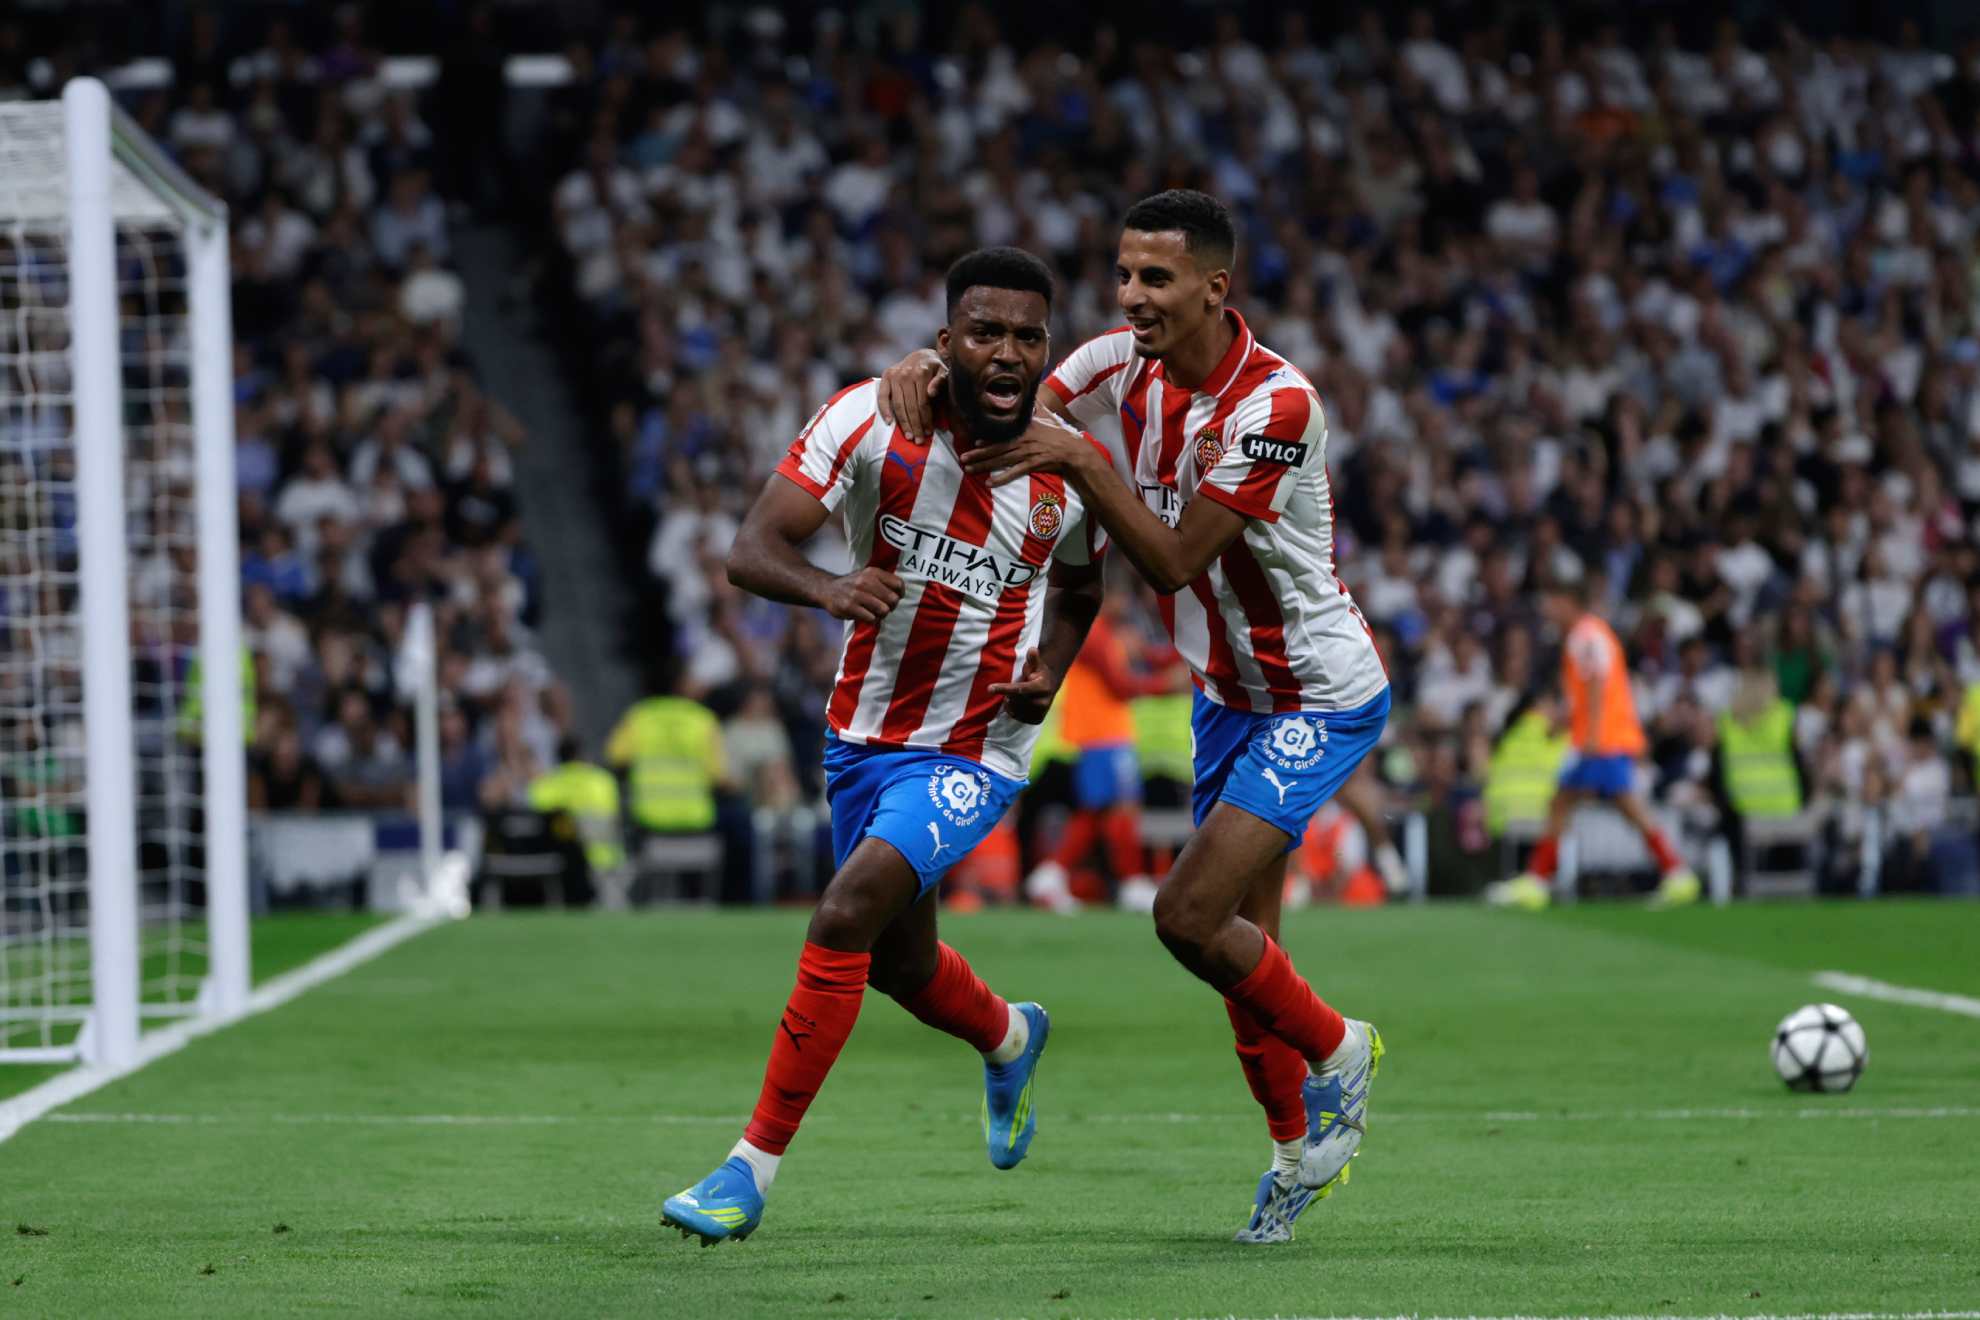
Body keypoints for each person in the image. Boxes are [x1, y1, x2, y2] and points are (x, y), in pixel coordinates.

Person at [880, 190, 1385, 1244]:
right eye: (1123, 276)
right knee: (1244, 963)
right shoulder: (1120, 366)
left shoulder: (1275, 409)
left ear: (1214, 287)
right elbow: (1007, 400)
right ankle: (1295, 1157)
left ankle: (1344, 1051)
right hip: (1225, 701)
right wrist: (927, 372)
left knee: (1187, 917)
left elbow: (1169, 560)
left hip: (1317, 696)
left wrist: (1082, 460)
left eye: (1155, 279)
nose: (1132, 297)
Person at [663, 247, 1109, 1246]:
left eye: (1027, 336)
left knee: (844, 911)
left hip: (975, 748)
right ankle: (1009, 1033)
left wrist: (1053, 665)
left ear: (1046, 349)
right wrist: (828, 588)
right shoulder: (871, 416)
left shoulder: (1066, 463)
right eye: (985, 332)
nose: (1007, 352)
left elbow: (1083, 587)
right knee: (903, 965)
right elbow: (749, 550)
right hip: (860, 733)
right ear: (947, 340)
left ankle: (748, 1172)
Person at [1486, 578, 1701, 909]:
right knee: (1574, 803)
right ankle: (1674, 871)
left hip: (1602, 741)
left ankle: (1539, 881)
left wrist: (1589, 736)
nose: (1548, 609)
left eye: (1552, 601)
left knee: (1598, 804)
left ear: (1569, 601)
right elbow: (1587, 691)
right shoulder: (1588, 634)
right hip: (1602, 737)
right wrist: (1566, 720)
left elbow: (1598, 683)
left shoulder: (1586, 635)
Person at [1021, 590, 1182, 914]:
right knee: (1120, 808)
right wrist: (1166, 685)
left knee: (1099, 812)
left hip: (1108, 734)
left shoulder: (1110, 633)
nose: (1126, 603)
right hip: (1099, 735)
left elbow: (1151, 657)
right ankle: (1130, 882)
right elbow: (1119, 685)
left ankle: (1054, 875)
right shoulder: (1093, 635)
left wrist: (1184, 658)